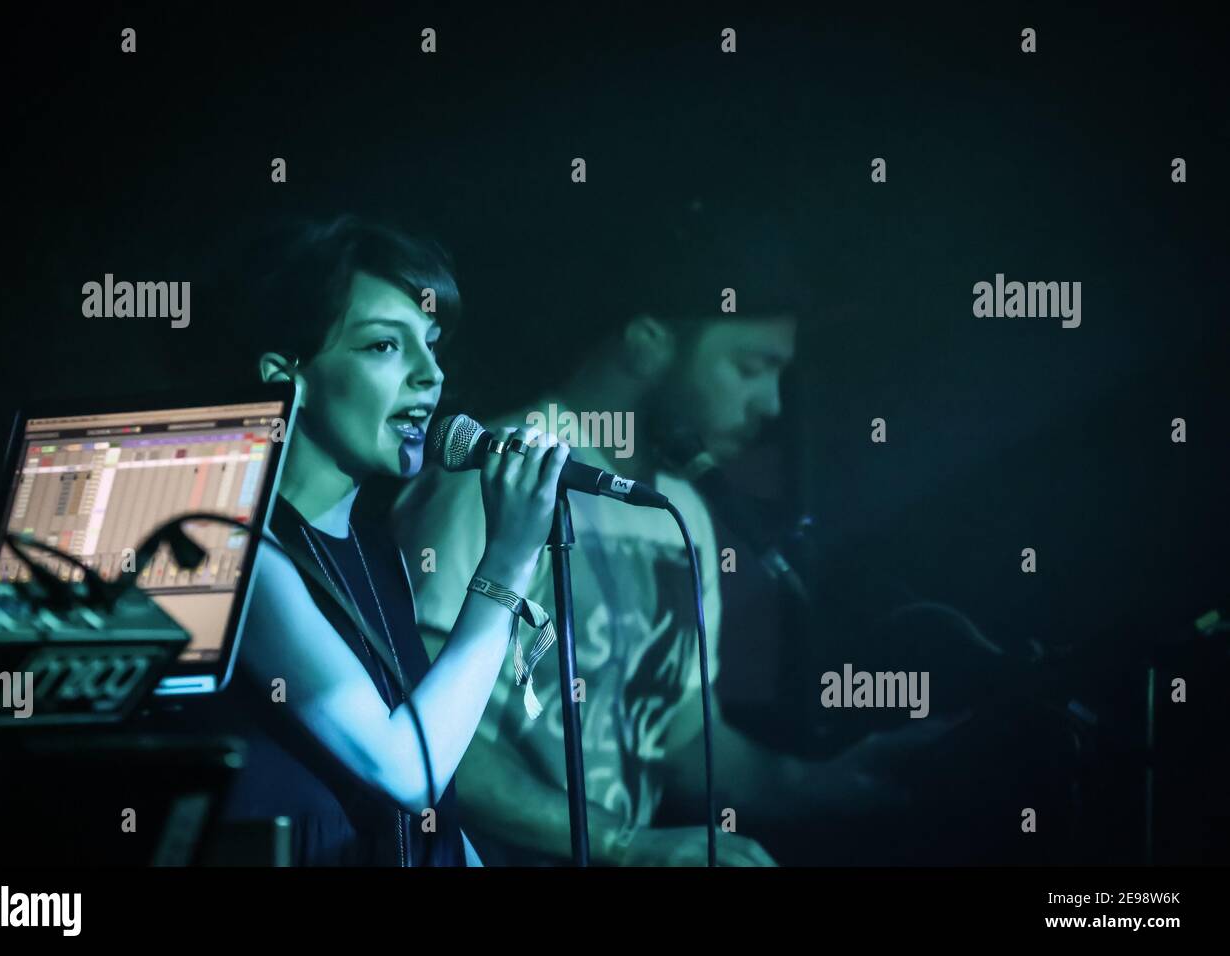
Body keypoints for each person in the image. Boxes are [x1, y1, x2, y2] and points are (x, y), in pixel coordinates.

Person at [391, 201, 931, 865]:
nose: (771, 405)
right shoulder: (502, 472)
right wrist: (629, 846)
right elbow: (421, 724)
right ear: (648, 342)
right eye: (751, 367)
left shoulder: (681, 508)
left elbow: (678, 732)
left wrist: (821, 783)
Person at [218, 215, 571, 865]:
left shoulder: (381, 555)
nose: (429, 375)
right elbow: (406, 770)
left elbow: (425, 810)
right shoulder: (245, 555)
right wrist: (509, 561)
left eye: (431, 345)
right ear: (283, 380)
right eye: (385, 346)